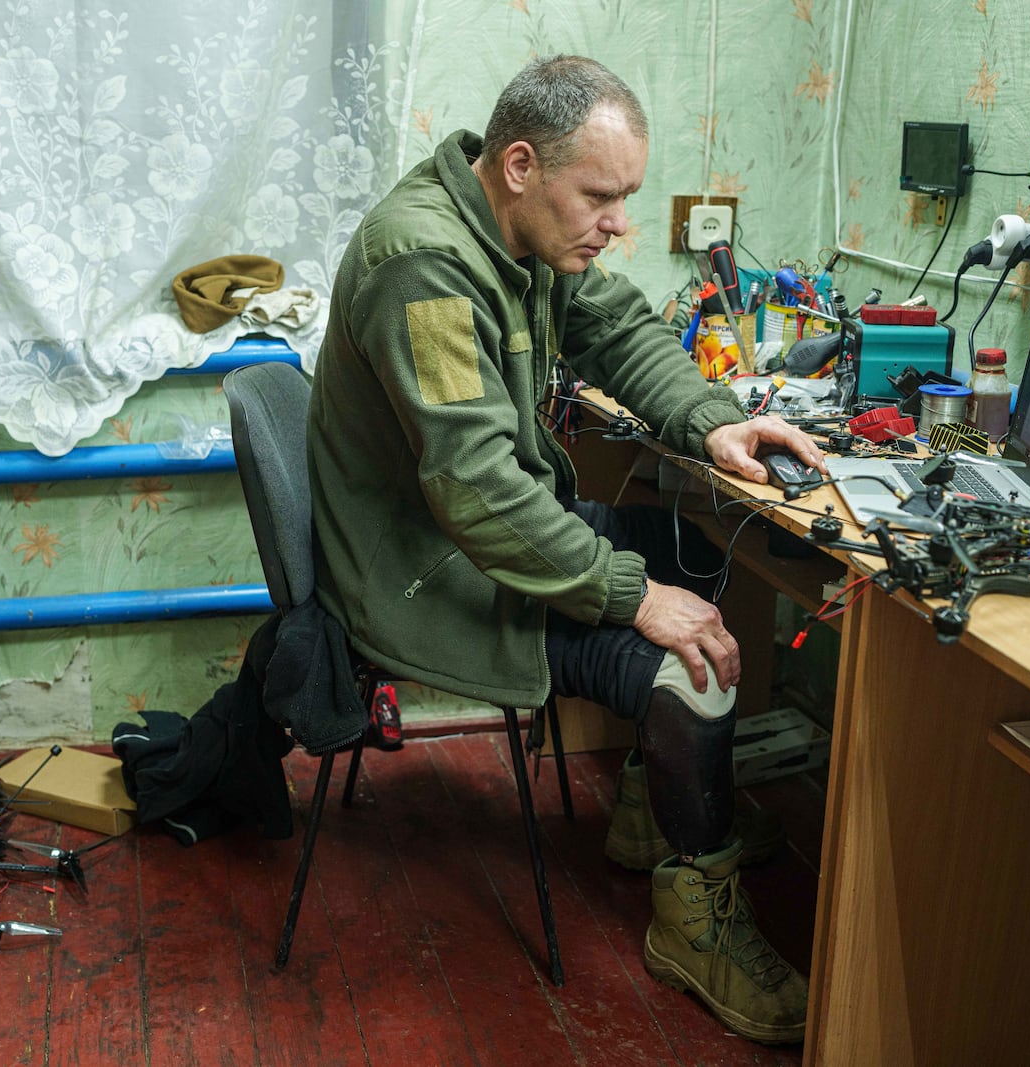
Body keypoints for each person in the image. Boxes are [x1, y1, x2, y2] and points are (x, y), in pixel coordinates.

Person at [306, 54, 827, 1043]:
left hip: (483, 538)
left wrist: (710, 420)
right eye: (603, 196)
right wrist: (633, 599)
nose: (619, 223)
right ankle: (694, 923)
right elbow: (476, 488)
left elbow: (618, 329)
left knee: (695, 544)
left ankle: (653, 809)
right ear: (516, 164)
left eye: (625, 198)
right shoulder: (424, 266)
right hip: (428, 573)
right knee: (690, 662)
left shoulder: (516, 226)